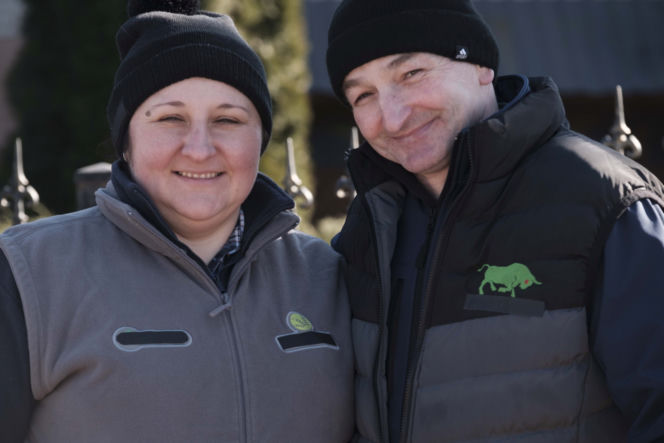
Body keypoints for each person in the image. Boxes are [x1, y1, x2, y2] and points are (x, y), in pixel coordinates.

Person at [0, 1, 354, 441]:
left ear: (260, 140)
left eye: (228, 119)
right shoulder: (29, 275)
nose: (200, 149)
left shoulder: (325, 276)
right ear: (126, 142)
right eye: (170, 118)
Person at [325, 1, 664, 442]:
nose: (393, 117)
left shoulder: (604, 203)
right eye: (363, 96)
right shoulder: (367, 230)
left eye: (412, 74)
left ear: (482, 66)